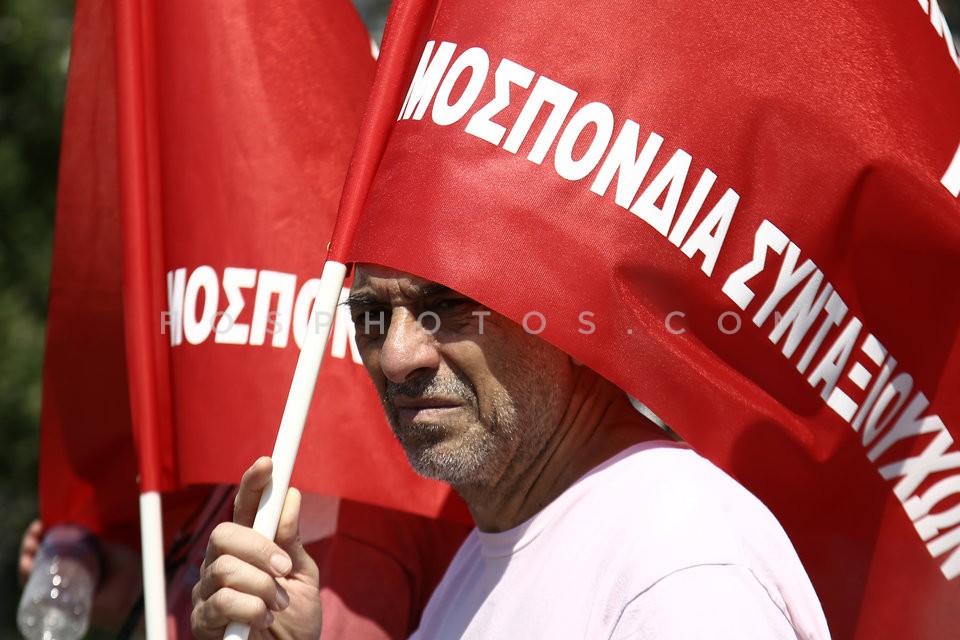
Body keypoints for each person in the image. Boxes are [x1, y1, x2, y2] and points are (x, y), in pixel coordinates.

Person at [190, 264, 832, 639]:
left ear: (568, 307)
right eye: (373, 316)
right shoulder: (488, 558)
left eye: (448, 303)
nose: (398, 356)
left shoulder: (679, 566)